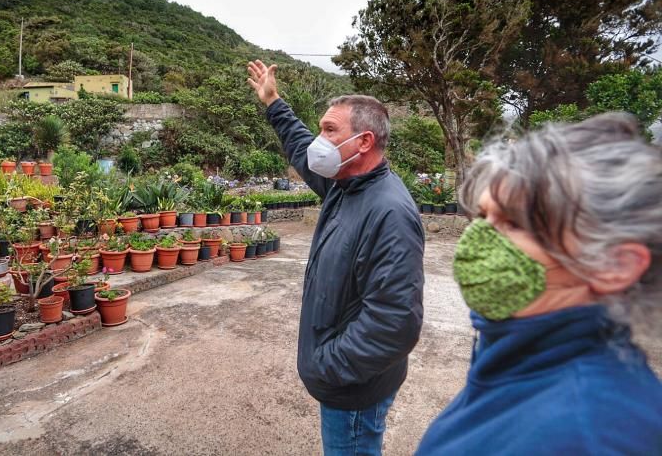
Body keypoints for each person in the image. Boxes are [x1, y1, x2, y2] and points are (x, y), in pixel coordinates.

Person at [416, 112, 662, 455]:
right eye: (484, 215)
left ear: (615, 265)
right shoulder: (517, 358)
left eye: (514, 222)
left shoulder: (593, 435)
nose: (477, 237)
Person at [247, 60, 425, 455]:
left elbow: (395, 322)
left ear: (363, 142)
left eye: (329, 131)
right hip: (345, 380)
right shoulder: (344, 185)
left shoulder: (389, 211)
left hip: (353, 389)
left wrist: (326, 365)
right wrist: (273, 101)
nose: (319, 141)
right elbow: (298, 145)